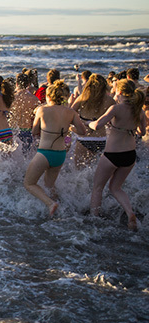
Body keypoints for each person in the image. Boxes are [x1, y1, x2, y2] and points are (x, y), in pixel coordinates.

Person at [89, 80, 147, 230]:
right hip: (129, 155)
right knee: (116, 187)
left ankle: (94, 220)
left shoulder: (116, 108)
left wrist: (88, 123)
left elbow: (97, 126)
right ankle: (130, 213)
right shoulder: (138, 111)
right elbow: (143, 132)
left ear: (119, 92)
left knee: (97, 187)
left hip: (112, 154)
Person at [23, 80, 86, 216]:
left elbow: (34, 132)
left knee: (29, 183)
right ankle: (62, 209)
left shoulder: (42, 110)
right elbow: (82, 131)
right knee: (49, 186)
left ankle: (51, 203)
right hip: (60, 155)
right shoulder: (71, 113)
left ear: (49, 97)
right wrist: (69, 127)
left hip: (44, 153)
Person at [71, 74, 114, 168]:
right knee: (95, 169)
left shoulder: (83, 97)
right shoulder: (109, 100)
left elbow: (71, 113)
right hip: (101, 139)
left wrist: (75, 125)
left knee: (79, 170)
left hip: (84, 138)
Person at [9, 72, 40, 154]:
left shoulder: (10, 98)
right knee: (26, 156)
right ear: (28, 84)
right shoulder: (34, 99)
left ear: (16, 84)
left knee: (12, 157)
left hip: (13, 130)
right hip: (27, 131)